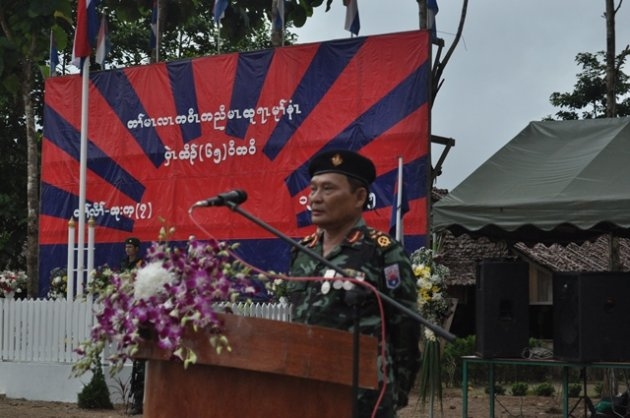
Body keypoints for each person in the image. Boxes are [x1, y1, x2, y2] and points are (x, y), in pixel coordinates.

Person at [287, 149, 421, 418]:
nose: (315, 198)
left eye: (327, 189)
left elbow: (405, 330)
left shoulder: (383, 252)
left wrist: (394, 394)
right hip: (308, 393)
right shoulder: (302, 252)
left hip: (364, 398)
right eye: (313, 189)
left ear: (359, 197)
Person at [119, 237, 145, 415]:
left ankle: (138, 400)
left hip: (138, 310)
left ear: (136, 249)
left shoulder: (141, 264)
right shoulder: (123, 264)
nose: (127, 249)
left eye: (130, 247)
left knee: (139, 359)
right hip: (126, 309)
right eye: (126, 246)